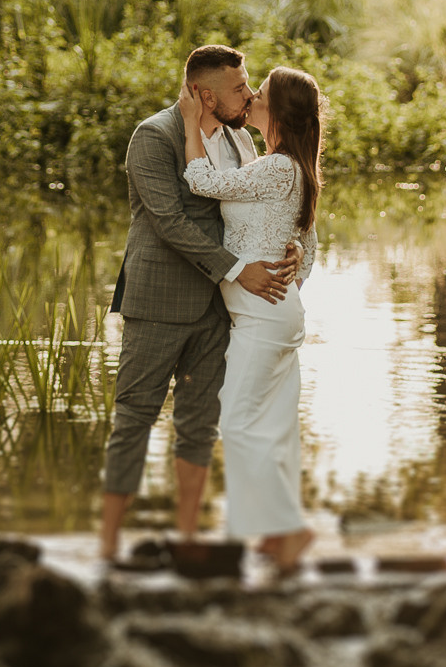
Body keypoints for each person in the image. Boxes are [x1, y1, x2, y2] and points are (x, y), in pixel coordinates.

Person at [97, 45, 301, 565]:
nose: (249, 94)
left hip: (219, 312)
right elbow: (169, 221)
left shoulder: (238, 138)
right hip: (159, 302)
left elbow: (255, 206)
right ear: (205, 95)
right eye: (239, 88)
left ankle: (187, 541)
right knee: (134, 418)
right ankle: (107, 544)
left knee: (199, 425)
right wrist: (237, 268)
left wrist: (287, 248)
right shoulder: (154, 136)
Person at [180, 61, 324, 574]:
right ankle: (273, 532)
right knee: (276, 426)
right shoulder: (287, 167)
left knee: (238, 421)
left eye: (258, 92)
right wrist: (295, 268)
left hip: (263, 318)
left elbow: (201, 181)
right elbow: (308, 243)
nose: (251, 98)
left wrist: (191, 120)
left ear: (276, 110)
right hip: (274, 314)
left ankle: (292, 529)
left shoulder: (279, 166)